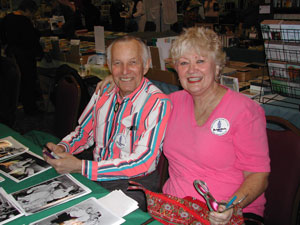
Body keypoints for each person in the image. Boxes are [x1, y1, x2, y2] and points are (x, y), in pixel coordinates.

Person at [96, 27, 270, 224]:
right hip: (174, 209)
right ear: (176, 69)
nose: (192, 70)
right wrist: (118, 81)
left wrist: (231, 205)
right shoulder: (171, 103)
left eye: (200, 61)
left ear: (218, 66)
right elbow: (140, 88)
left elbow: (258, 176)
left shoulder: (245, 110)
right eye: (184, 63)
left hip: (230, 213)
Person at [43, 36, 172, 211]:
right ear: (109, 67)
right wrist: (64, 148)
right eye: (118, 63)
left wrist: (82, 167)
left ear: (146, 65)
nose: (125, 71)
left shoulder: (158, 103)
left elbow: (142, 163)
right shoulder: (103, 92)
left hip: (134, 184)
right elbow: (84, 133)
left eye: (132, 62)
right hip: (96, 172)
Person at [2, 0, 43, 116]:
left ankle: (24, 106)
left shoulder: (7, 18)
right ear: (28, 10)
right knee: (28, 82)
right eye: (32, 13)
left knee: (20, 82)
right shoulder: (24, 21)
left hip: (12, 54)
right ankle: (31, 109)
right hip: (25, 56)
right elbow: (32, 40)